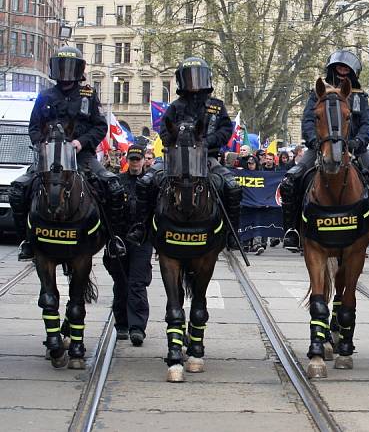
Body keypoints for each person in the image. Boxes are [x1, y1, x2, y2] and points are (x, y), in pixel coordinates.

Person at [10, 46, 127, 260]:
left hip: (81, 156)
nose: (65, 72)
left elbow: (100, 126)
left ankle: (113, 239)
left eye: (70, 67)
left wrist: (80, 143)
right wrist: (41, 145)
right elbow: (34, 127)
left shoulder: (88, 94)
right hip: (49, 158)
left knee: (113, 186)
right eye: (61, 67)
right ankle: (26, 240)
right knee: (18, 189)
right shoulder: (44, 96)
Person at [279, 49, 369, 251]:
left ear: (352, 72)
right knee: (291, 180)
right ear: (332, 68)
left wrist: (358, 142)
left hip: (354, 150)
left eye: (346, 68)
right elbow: (308, 120)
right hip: (321, 148)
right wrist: (316, 142)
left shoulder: (360, 97)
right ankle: (293, 231)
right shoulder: (317, 93)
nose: (342, 71)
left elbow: (367, 124)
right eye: (339, 67)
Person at [125, 56, 242, 250]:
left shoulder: (217, 105)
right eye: (190, 78)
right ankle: (141, 227)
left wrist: (206, 142)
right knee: (146, 182)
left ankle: (231, 233)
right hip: (175, 158)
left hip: (207, 158)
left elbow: (225, 130)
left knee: (232, 186)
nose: (194, 83)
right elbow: (163, 130)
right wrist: (175, 141)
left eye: (198, 77)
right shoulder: (175, 106)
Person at [103, 144, 153, 345]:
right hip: (121, 238)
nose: (135, 163)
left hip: (142, 239)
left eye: (138, 159)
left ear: (143, 160)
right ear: (127, 160)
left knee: (137, 283)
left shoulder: (151, 182)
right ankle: (122, 324)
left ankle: (137, 328)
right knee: (121, 282)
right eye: (131, 160)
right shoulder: (117, 182)